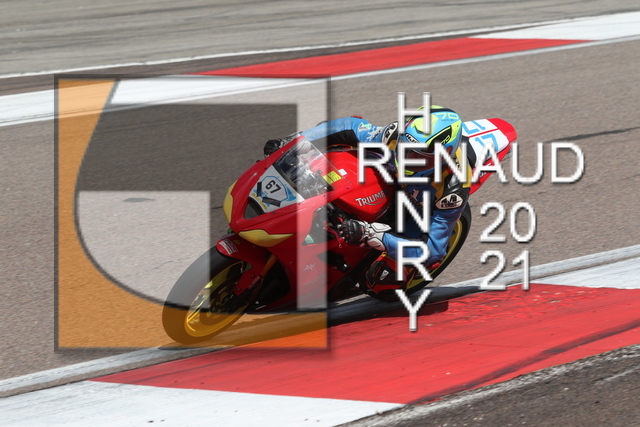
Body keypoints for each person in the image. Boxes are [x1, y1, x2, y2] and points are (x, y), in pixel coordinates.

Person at [264, 106, 470, 300]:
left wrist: (371, 234)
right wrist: (297, 141)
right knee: (334, 140)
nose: (408, 159)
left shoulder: (452, 190)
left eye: (419, 157)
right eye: (406, 149)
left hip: (422, 207)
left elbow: (433, 251)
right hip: (388, 173)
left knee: (384, 282)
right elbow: (350, 127)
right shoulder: (394, 134)